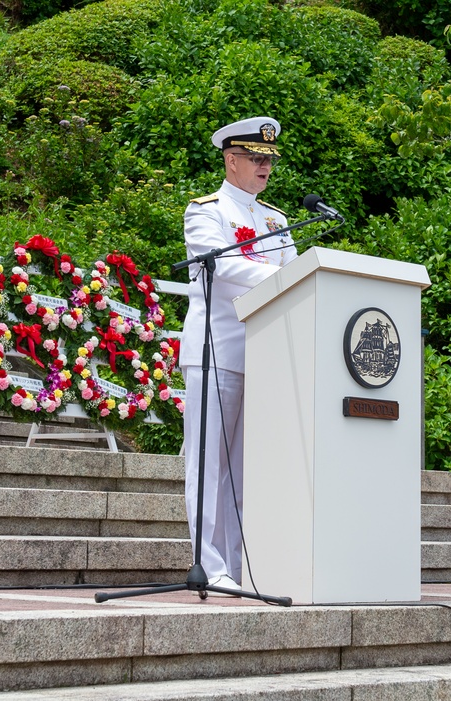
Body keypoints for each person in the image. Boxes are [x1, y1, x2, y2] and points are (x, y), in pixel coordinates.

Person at [182, 116, 298, 594]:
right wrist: (279, 280)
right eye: (256, 157)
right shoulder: (205, 210)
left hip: (266, 356)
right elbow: (225, 268)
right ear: (231, 161)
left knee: (247, 471)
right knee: (208, 465)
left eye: (269, 158)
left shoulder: (277, 219)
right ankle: (208, 566)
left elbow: (297, 272)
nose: (265, 166)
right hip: (217, 347)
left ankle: (240, 567)